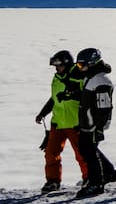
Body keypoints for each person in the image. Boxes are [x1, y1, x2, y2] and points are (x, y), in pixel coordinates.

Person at [35, 50, 89, 193]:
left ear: (66, 63)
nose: (56, 68)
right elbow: (54, 99)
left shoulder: (77, 75)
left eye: (58, 65)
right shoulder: (57, 78)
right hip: (58, 122)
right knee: (51, 153)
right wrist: (43, 113)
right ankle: (52, 181)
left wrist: (70, 94)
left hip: (75, 122)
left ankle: (88, 178)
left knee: (82, 153)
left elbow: (84, 94)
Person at [74, 47, 116, 199]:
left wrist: (98, 128)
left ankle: (97, 184)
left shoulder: (101, 80)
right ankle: (109, 173)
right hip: (88, 122)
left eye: (81, 65)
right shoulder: (92, 76)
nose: (79, 68)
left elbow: (104, 107)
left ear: (92, 63)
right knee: (87, 148)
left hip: (94, 123)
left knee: (89, 151)